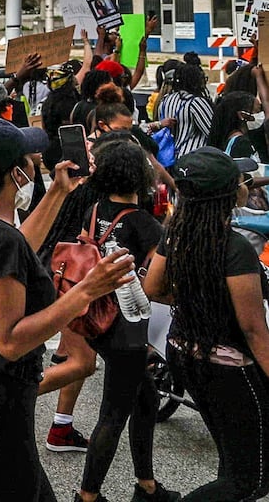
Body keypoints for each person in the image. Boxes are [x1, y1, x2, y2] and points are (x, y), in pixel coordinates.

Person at [0, 118, 132, 502]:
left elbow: (16, 248)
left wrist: (58, 191)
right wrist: (87, 290)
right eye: (30, 159)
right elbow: (9, 341)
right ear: (15, 173)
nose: (36, 163)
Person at [144, 147, 269, 502]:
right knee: (252, 478)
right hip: (228, 364)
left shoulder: (176, 232)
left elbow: (153, 287)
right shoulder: (234, 248)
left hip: (183, 350)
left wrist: (195, 296)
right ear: (230, 194)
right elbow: (252, 328)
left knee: (231, 454)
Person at [72, 135, 177, 502]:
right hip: (128, 327)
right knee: (113, 415)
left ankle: (146, 485)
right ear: (139, 177)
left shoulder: (96, 209)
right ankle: (88, 496)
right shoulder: (144, 224)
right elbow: (163, 278)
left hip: (99, 320)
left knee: (145, 397)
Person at [157, 63, 213, 159]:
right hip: (193, 158)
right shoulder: (196, 102)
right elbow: (212, 132)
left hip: (167, 157)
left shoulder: (165, 100)